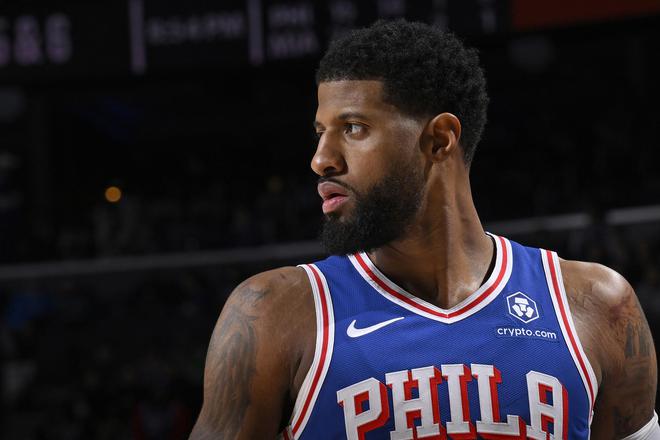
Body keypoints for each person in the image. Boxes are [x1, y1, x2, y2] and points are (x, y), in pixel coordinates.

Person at [189, 19, 658, 439]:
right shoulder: (275, 314)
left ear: (439, 140)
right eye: (320, 132)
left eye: (353, 128)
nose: (321, 159)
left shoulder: (596, 305)